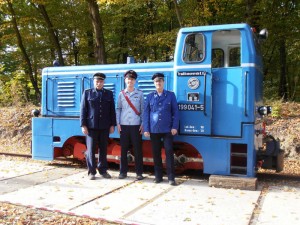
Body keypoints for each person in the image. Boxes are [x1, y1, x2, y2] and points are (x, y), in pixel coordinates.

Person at [143, 73, 179, 186]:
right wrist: (146, 128)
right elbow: (146, 113)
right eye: (156, 82)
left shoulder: (170, 95)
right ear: (154, 83)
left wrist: (174, 127)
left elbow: (176, 112)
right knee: (156, 153)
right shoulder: (149, 96)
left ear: (163, 82)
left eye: (160, 81)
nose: (158, 83)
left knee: (169, 152)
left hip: (167, 129)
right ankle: (158, 176)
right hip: (154, 130)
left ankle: (171, 178)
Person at [80, 72, 116, 180]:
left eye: (101, 81)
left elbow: (112, 110)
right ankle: (91, 172)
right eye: (97, 81)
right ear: (93, 81)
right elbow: (83, 110)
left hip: (104, 126)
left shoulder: (108, 94)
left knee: (103, 149)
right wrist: (83, 125)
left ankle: (103, 170)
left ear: (103, 82)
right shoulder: (87, 93)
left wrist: (112, 125)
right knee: (90, 150)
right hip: (91, 127)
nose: (99, 83)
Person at [116, 70, 144, 180]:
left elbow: (142, 109)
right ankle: (123, 172)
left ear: (135, 81)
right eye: (128, 79)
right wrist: (118, 123)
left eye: (132, 79)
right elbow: (118, 109)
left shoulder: (140, 94)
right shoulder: (121, 94)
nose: (130, 81)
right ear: (125, 80)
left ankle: (139, 173)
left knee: (138, 150)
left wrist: (143, 123)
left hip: (136, 125)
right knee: (123, 150)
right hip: (124, 125)